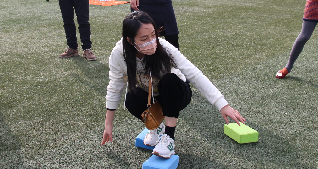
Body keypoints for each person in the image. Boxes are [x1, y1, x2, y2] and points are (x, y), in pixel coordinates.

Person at [101, 11, 246, 158]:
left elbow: (194, 73)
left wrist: (222, 104)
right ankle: (157, 128)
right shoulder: (119, 54)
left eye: (153, 35)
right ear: (130, 40)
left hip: (177, 93)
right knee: (131, 99)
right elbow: (114, 87)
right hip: (153, 96)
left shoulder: (164, 47)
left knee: (169, 80)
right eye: (144, 39)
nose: (151, 41)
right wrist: (108, 124)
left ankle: (169, 139)